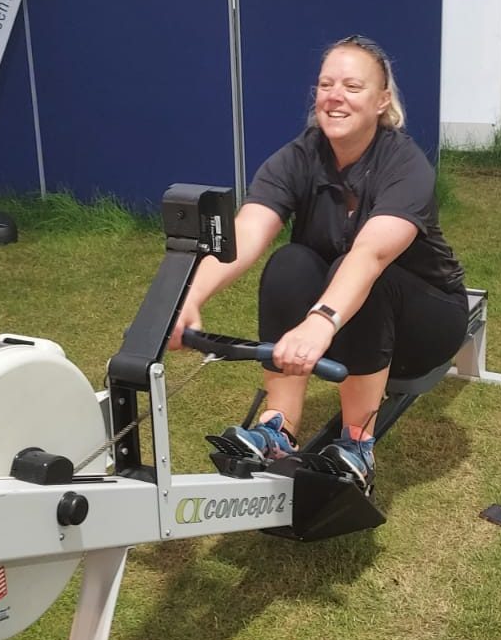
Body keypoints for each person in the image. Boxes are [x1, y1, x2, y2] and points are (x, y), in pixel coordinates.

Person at [168, 35, 469, 494]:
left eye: (352, 85)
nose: (335, 95)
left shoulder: (405, 165)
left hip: (425, 322)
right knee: (289, 261)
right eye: (326, 84)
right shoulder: (300, 157)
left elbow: (372, 254)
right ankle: (277, 428)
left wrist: (320, 321)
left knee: (366, 274)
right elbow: (248, 230)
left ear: (381, 100)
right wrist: (188, 296)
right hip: (347, 316)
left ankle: (357, 445)